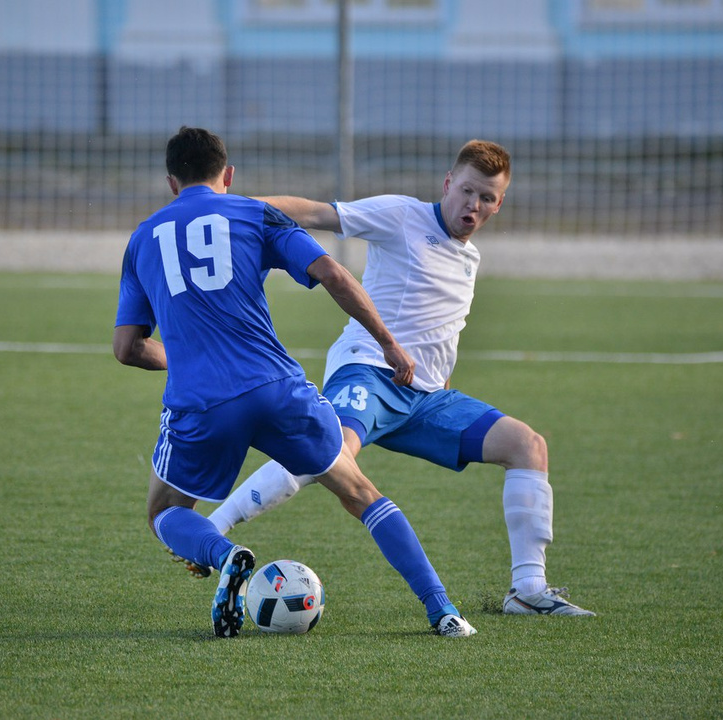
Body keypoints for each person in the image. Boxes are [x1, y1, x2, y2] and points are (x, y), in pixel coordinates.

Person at [189, 139, 595, 617]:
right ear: (448, 184)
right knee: (329, 452)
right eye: (466, 191)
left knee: (528, 446)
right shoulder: (402, 215)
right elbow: (319, 213)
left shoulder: (469, 257)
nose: (474, 205)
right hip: (371, 372)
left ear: (498, 203)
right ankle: (216, 526)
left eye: (486, 198)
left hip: (424, 399)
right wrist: (231, 209)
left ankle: (528, 589)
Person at [114, 126, 475, 638]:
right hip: (278, 388)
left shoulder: (141, 239)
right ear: (229, 175)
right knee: (360, 492)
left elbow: (126, 349)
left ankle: (225, 553)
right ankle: (442, 610)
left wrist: (190, 359)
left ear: (172, 182)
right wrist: (389, 343)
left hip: (203, 402)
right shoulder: (254, 212)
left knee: (164, 514)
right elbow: (332, 273)